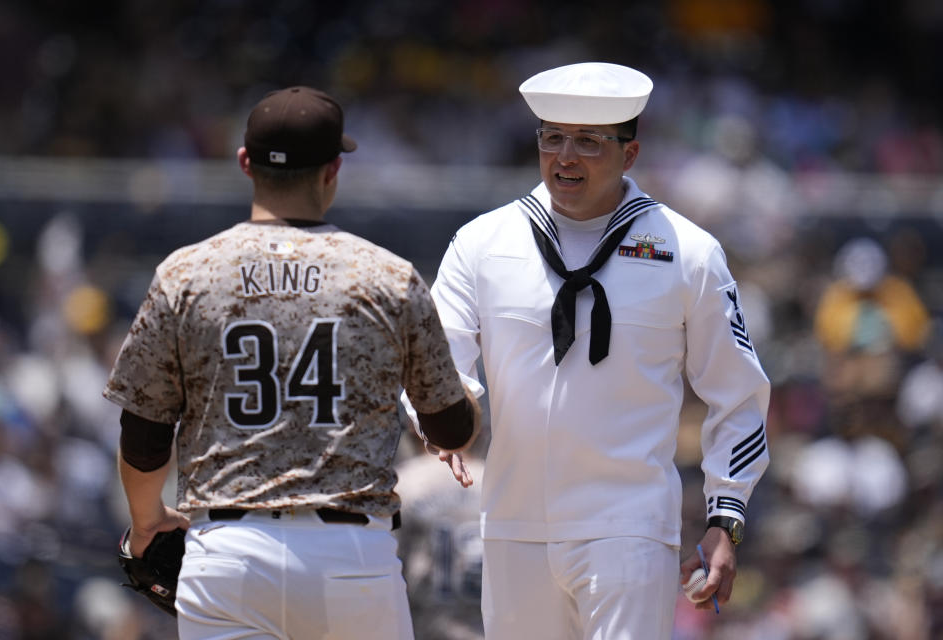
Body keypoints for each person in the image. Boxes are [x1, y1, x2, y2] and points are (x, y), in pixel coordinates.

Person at [403, 62, 772, 639]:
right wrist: (440, 420)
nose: (565, 156)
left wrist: (727, 517)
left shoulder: (690, 253)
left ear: (630, 154)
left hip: (629, 527)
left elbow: (740, 392)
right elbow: (434, 360)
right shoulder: (482, 244)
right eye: (552, 137)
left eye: (588, 142)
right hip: (510, 525)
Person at [103, 85, 480, 640]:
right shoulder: (386, 277)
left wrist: (146, 522)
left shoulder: (186, 274)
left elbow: (143, 431)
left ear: (245, 164)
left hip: (227, 553)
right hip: (351, 554)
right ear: (333, 170)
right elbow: (451, 428)